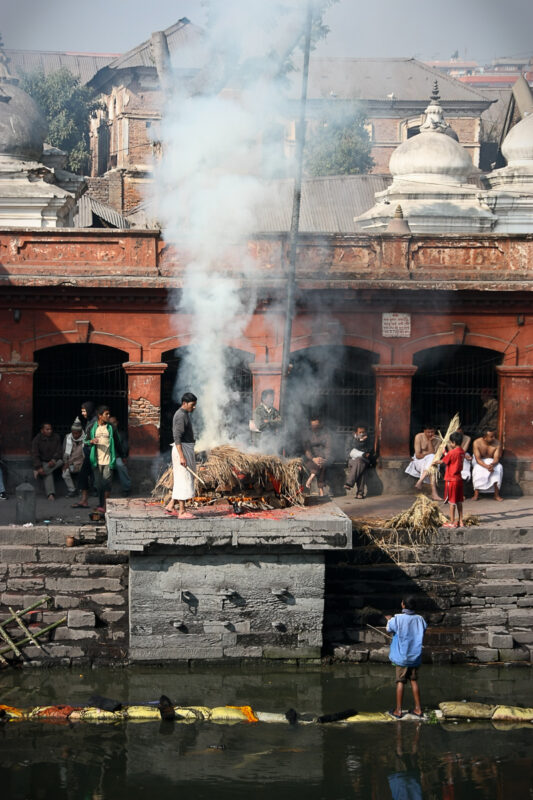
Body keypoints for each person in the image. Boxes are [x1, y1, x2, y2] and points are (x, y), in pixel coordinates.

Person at [385, 596, 427, 720]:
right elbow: (423, 630)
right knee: (414, 681)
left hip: (402, 657)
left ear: (403, 605)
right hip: (415, 656)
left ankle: (398, 711)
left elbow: (389, 629)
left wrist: (389, 620)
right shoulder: (420, 619)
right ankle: (418, 709)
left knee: (400, 681)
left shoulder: (397, 619)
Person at [165, 392, 198, 519]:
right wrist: (182, 456)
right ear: (184, 403)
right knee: (184, 479)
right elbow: (177, 437)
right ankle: (182, 512)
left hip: (184, 449)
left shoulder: (185, 414)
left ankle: (171, 505)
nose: (194, 407)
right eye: (192, 405)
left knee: (181, 478)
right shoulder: (180, 415)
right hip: (182, 449)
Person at [89, 405, 116, 513]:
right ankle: (101, 504)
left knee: (106, 484)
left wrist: (122, 455)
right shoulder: (92, 427)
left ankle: (105, 505)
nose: (108, 416)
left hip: (108, 460)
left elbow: (117, 440)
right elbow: (86, 440)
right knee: (99, 485)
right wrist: (91, 441)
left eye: (109, 414)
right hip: (96, 461)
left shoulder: (111, 427)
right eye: (106, 414)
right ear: (100, 416)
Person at [405, 425, 441, 501]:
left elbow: (434, 454)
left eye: (432, 432)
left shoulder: (438, 439)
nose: (430, 434)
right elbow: (418, 455)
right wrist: (429, 453)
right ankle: (434, 493)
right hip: (419, 462)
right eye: (428, 432)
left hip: (431, 463)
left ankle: (420, 482)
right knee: (432, 460)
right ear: (424, 431)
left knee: (432, 461)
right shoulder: (419, 437)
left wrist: (430, 441)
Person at [73, 400, 97, 509]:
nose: (83, 413)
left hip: (93, 452)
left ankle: (100, 504)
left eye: (84, 410)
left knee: (92, 477)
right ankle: (84, 500)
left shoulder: (96, 421)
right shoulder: (90, 420)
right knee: (85, 476)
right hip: (88, 451)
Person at [439, 431, 465, 527]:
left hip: (451, 479)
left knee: (452, 502)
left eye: (450, 442)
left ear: (453, 442)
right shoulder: (462, 451)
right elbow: (451, 458)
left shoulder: (452, 452)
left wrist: (435, 462)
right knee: (459, 501)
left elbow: (443, 461)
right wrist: (445, 452)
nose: (450, 444)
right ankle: (461, 521)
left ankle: (452, 522)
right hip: (459, 479)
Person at [31, 422, 63, 500]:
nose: (50, 431)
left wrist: (54, 460)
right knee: (49, 473)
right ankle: (50, 494)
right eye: (47, 429)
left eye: (50, 429)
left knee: (61, 461)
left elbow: (59, 451)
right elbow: (35, 454)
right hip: (44, 462)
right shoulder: (37, 439)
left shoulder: (56, 437)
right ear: (42, 430)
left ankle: (38, 472)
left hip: (54, 461)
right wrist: (38, 466)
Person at [344, 424, 376, 499]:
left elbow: (368, 453)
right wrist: (359, 442)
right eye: (360, 432)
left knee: (360, 461)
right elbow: (347, 452)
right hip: (352, 460)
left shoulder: (369, 439)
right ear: (355, 432)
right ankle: (360, 493)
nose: (362, 434)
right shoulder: (350, 438)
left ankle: (349, 483)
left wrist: (362, 442)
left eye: (364, 432)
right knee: (361, 466)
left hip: (365, 461)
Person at [472, 427, 503, 501]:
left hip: (492, 461)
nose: (494, 438)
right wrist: (486, 466)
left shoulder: (497, 443)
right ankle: (476, 494)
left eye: (494, 436)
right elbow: (478, 459)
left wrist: (492, 465)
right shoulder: (476, 442)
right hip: (479, 461)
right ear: (484, 437)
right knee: (477, 469)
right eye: (491, 436)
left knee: (498, 468)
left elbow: (496, 458)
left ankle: (496, 495)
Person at [303, 416, 331, 496]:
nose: (315, 427)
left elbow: (328, 448)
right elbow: (307, 450)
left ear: (320, 425)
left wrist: (325, 458)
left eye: (316, 425)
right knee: (319, 464)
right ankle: (321, 489)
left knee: (321, 463)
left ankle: (311, 478)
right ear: (311, 425)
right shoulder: (307, 434)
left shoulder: (325, 434)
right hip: (310, 460)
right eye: (313, 426)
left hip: (322, 458)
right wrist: (313, 458)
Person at [61, 421, 85, 497]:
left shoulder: (85, 438)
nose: (75, 435)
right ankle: (72, 490)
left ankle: (82, 490)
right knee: (65, 474)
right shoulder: (68, 437)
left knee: (84, 473)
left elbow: (86, 454)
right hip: (71, 462)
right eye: (74, 433)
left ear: (81, 432)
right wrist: (66, 463)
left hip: (82, 461)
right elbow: (65, 451)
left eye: (77, 433)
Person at [109, 416, 131, 496]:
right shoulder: (105, 433)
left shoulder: (121, 434)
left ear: (117, 423)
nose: (113, 425)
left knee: (121, 466)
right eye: (110, 423)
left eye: (114, 422)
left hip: (118, 457)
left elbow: (124, 447)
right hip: (107, 457)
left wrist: (123, 456)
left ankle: (126, 489)